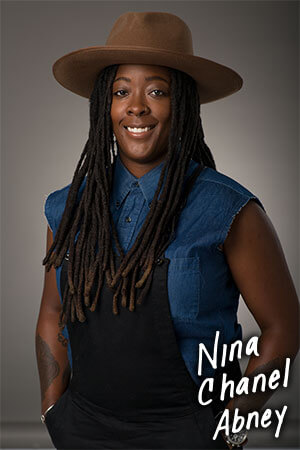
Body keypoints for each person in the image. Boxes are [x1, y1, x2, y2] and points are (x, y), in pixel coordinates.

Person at [35, 11, 299, 450]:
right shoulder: (68, 207)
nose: (136, 106)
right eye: (122, 91)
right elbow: (51, 314)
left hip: (188, 432)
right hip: (83, 430)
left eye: (157, 91)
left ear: (185, 105)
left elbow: (283, 328)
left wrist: (230, 430)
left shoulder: (229, 209)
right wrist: (51, 410)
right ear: (107, 104)